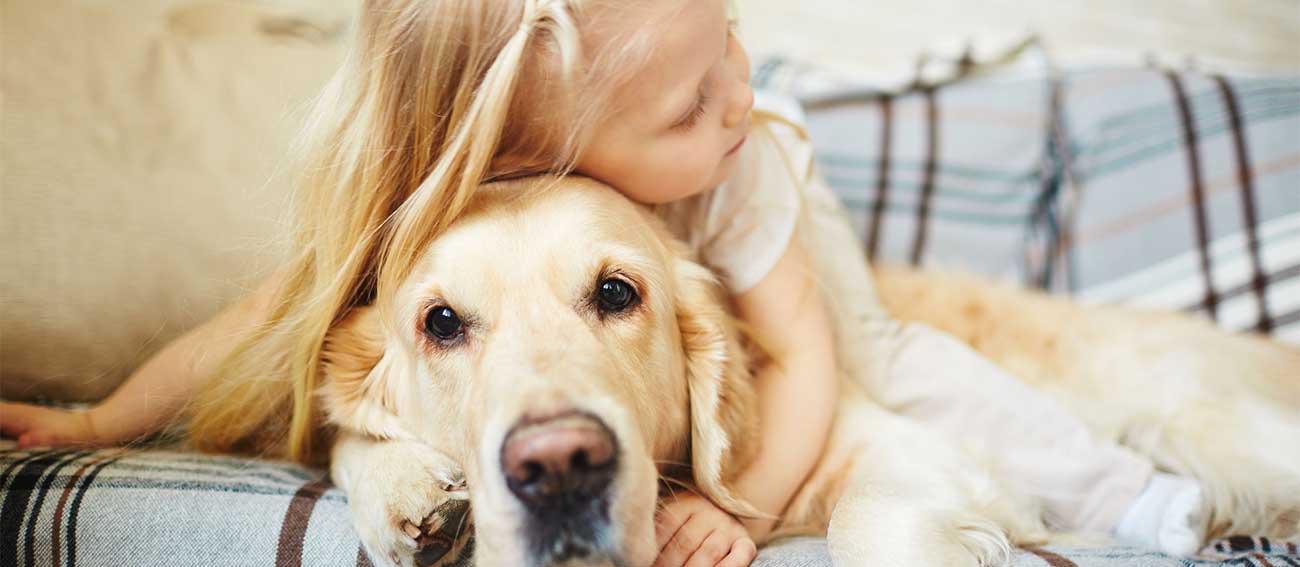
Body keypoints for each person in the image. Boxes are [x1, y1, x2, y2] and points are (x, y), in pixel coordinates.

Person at [0, 0, 1205, 563]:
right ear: (563, 143)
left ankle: (1137, 500)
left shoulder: (735, 169)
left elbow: (803, 358)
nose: (735, 95)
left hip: (808, 280)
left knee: (900, 367)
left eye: (612, 296)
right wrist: (100, 422)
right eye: (447, 324)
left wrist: (735, 508)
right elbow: (265, 330)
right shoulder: (411, 239)